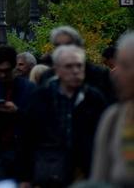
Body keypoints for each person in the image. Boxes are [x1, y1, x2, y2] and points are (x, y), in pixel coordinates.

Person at [19, 44, 108, 187]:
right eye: (69, 66)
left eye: (79, 66)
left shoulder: (94, 98)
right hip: (50, 172)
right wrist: (25, 177)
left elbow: (104, 136)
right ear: (57, 70)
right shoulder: (41, 97)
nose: (75, 71)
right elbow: (27, 137)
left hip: (85, 174)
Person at [0, 45, 34, 180]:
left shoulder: (29, 89)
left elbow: (39, 121)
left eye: (7, 70)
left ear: (14, 66)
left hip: (24, 152)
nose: (3, 75)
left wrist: (17, 111)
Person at [91, 32, 134, 185]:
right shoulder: (112, 118)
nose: (117, 74)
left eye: (126, 66)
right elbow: (99, 179)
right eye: (118, 65)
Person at [40, 26, 115, 102]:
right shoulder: (47, 77)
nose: (63, 49)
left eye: (68, 44)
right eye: (58, 46)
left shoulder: (100, 75)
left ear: (79, 46)